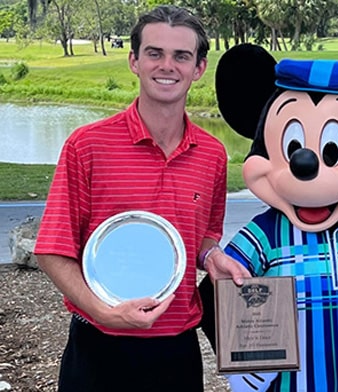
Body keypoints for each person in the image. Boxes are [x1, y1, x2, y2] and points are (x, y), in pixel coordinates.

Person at [34, 5, 247, 391]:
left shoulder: (213, 155)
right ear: (134, 60)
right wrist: (103, 312)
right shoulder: (87, 146)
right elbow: (52, 250)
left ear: (198, 68)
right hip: (99, 347)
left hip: (176, 350)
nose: (167, 66)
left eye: (181, 56)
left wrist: (211, 256)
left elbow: (202, 239)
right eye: (155, 53)